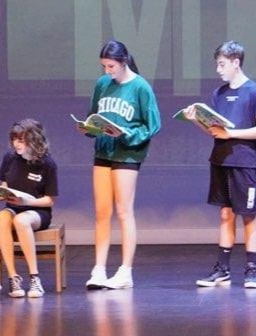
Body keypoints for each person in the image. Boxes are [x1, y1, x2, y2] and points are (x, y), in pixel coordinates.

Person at [182, 40, 256, 289]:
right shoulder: (218, 93)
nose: (219, 70)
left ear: (236, 62)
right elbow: (215, 131)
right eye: (217, 65)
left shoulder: (254, 91)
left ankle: (252, 269)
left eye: (222, 64)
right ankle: (222, 269)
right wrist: (195, 120)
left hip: (245, 162)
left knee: (249, 216)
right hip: (220, 160)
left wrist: (232, 134)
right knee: (225, 214)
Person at [80, 39, 161, 290]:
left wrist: (127, 134)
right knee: (102, 212)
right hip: (103, 151)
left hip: (127, 154)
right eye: (104, 66)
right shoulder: (102, 84)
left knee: (124, 210)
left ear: (123, 61)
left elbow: (153, 125)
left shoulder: (140, 87)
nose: (107, 71)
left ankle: (125, 271)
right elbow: (93, 116)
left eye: (111, 66)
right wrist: (89, 128)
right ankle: (99, 269)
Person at [0, 119, 58, 298]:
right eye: (15, 139)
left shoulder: (47, 164)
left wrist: (26, 203)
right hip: (13, 207)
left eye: (21, 140)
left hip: (37, 212)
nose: (17, 144)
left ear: (34, 140)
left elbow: (49, 200)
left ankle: (34, 278)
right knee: (2, 217)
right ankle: (14, 278)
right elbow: (5, 191)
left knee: (21, 220)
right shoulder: (10, 158)